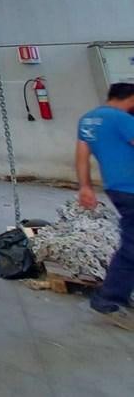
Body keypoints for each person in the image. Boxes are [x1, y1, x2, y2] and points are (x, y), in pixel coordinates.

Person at [76, 82, 134, 330]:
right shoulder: (122, 119)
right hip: (131, 187)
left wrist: (85, 186)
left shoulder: (88, 120)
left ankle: (116, 295)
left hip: (115, 187)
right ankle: (109, 300)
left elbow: (82, 156)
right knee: (132, 246)